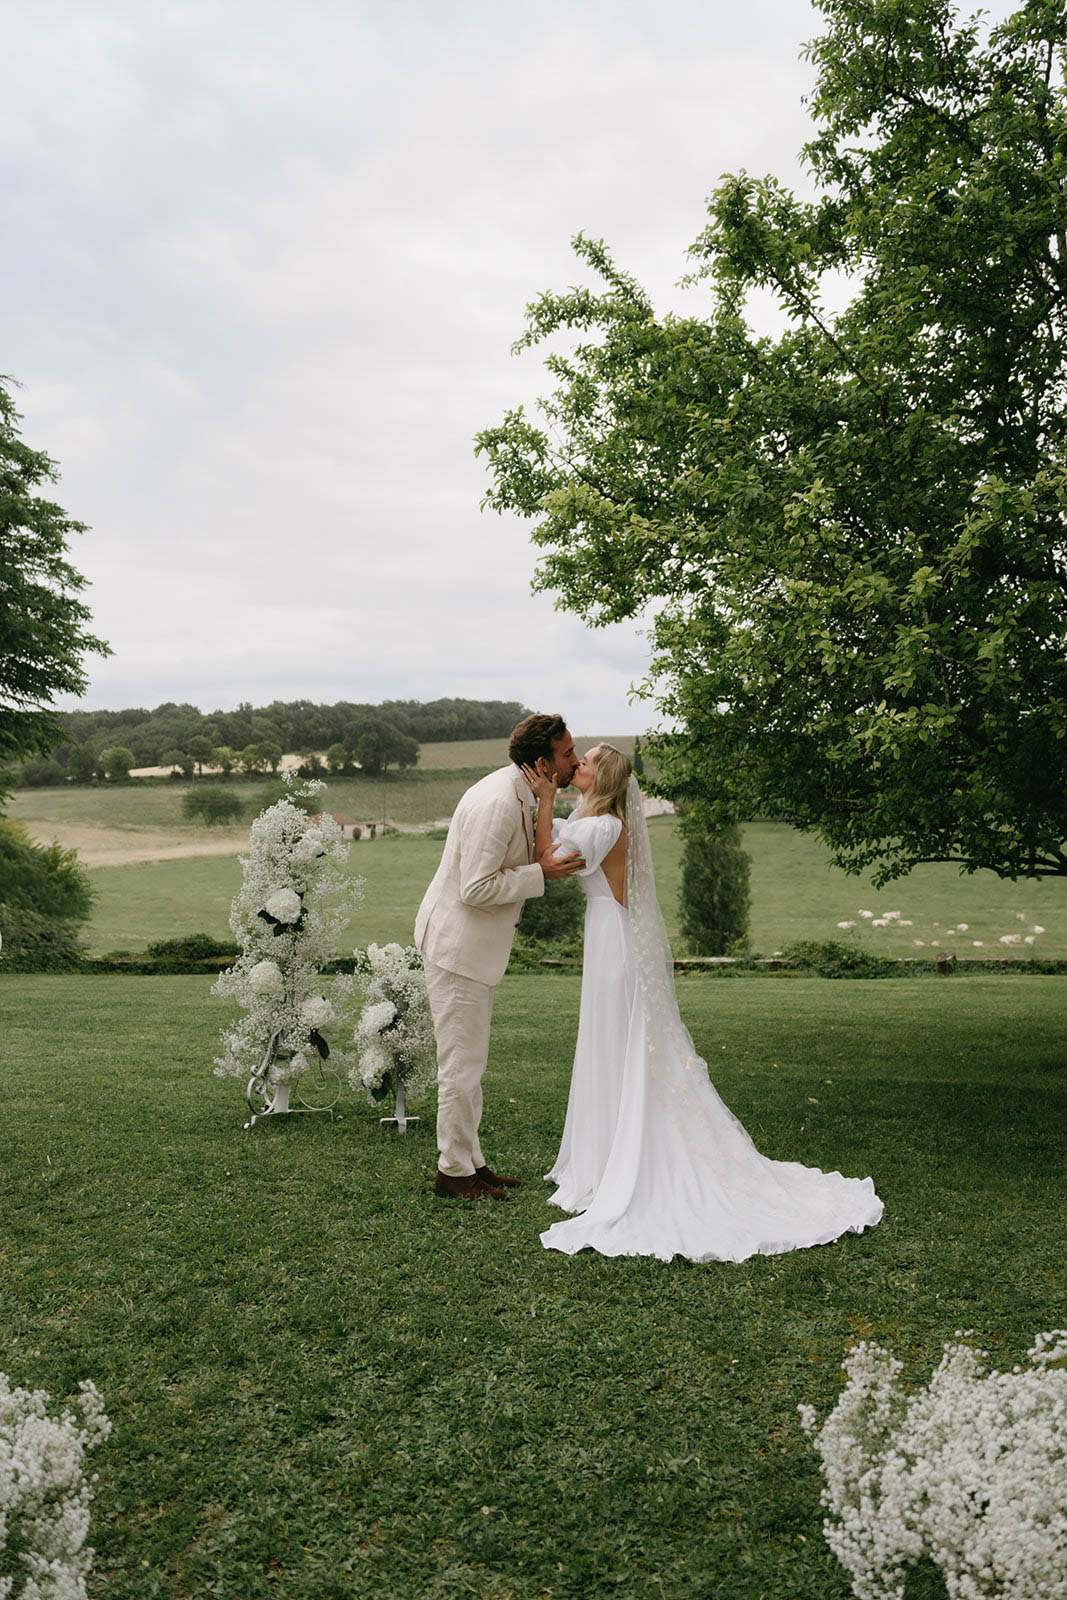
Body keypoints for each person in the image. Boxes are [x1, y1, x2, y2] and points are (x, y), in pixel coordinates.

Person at [522, 744, 884, 1263]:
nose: (573, 764)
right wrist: (552, 805)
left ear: (600, 777)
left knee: (615, 1040)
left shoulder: (601, 827)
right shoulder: (594, 817)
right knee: (608, 1041)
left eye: (584, 762)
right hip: (606, 933)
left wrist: (544, 801)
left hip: (611, 940)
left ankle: (619, 1158)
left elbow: (546, 859)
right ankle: (601, 1152)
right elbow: (558, 840)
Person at [415, 713, 584, 1200]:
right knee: (461, 1067)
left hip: (470, 949)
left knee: (472, 1063)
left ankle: (473, 1162)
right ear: (542, 762)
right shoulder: (497, 802)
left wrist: (548, 802)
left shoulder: (521, 791)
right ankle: (452, 1172)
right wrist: (541, 875)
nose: (575, 759)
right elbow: (476, 887)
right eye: (568, 753)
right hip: (457, 950)